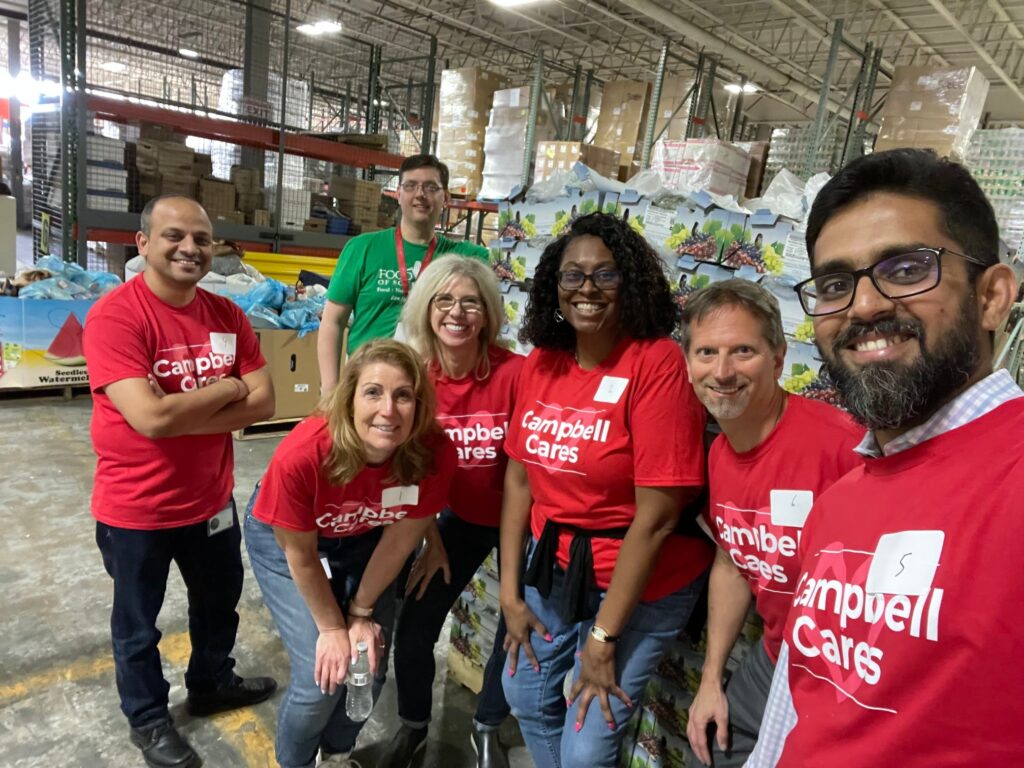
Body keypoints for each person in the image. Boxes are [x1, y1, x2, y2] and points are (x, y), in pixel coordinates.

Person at [746, 148, 1023, 767]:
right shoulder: (843, 496)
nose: (864, 306)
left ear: (993, 297)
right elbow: (799, 703)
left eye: (905, 269)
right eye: (836, 285)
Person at [500, 212, 714, 768]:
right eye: (572, 276)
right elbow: (519, 479)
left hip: (641, 580)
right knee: (523, 694)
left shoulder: (657, 362)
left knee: (588, 748)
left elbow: (659, 517)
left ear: (632, 284)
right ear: (554, 286)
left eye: (605, 275)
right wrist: (509, 593)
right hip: (555, 567)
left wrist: (602, 638)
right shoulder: (540, 364)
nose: (587, 289)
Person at [82, 195, 278, 768]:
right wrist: (226, 389)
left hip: (211, 501)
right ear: (143, 244)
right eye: (173, 236)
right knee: (138, 625)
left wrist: (183, 407)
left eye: (201, 237)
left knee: (219, 605)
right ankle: (147, 719)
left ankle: (212, 682)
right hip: (135, 510)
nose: (189, 248)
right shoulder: (117, 317)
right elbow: (150, 418)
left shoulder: (227, 316)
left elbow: (264, 402)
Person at [244, 339, 458, 768]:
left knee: (369, 665)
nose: (388, 410)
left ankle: (338, 755)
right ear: (349, 398)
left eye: (404, 395)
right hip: (290, 542)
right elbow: (301, 556)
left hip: (367, 539)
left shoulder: (433, 453)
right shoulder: (305, 454)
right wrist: (331, 627)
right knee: (321, 675)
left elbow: (399, 541)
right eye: (373, 392)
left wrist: (360, 613)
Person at [678, 280, 862, 767]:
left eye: (743, 351)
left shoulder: (841, 447)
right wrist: (712, 678)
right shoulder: (720, 452)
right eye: (706, 353)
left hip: (844, 672)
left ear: (778, 359)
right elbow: (732, 563)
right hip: (777, 654)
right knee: (710, 753)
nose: (722, 371)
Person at [380, 256, 523, 768]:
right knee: (416, 625)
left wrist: (514, 578)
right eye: (444, 300)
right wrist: (430, 538)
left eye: (470, 302)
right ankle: (414, 726)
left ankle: (486, 726)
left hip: (519, 522)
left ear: (487, 314)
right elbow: (408, 467)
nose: (456, 312)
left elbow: (526, 475)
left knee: (515, 626)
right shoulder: (414, 377)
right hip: (451, 521)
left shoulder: (517, 375)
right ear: (427, 308)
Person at [317, 154, 490, 388]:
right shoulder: (362, 248)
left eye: (430, 187)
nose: (420, 194)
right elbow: (332, 322)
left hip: (431, 386)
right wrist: (329, 390)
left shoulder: (466, 257)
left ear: (446, 198)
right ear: (398, 195)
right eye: (410, 186)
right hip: (366, 381)